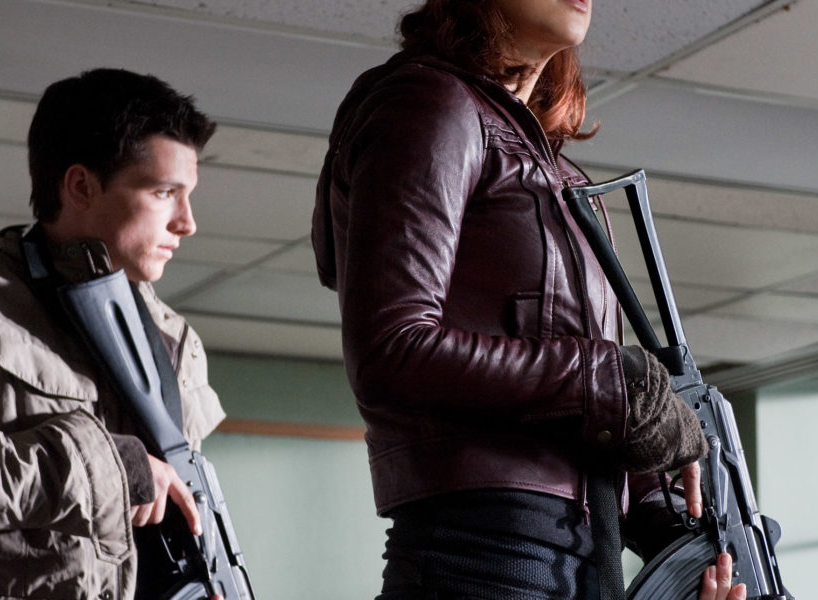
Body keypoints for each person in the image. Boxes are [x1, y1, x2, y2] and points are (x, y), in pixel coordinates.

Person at [313, 1, 747, 599]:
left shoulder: (557, 171)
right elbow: (391, 350)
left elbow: (587, 415)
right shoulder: (430, 101)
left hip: (578, 562)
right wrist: (616, 384)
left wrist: (674, 525)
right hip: (484, 560)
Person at [0, 68, 224, 600]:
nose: (187, 222)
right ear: (81, 186)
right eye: (164, 192)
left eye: (187, 195)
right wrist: (113, 466)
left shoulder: (173, 337)